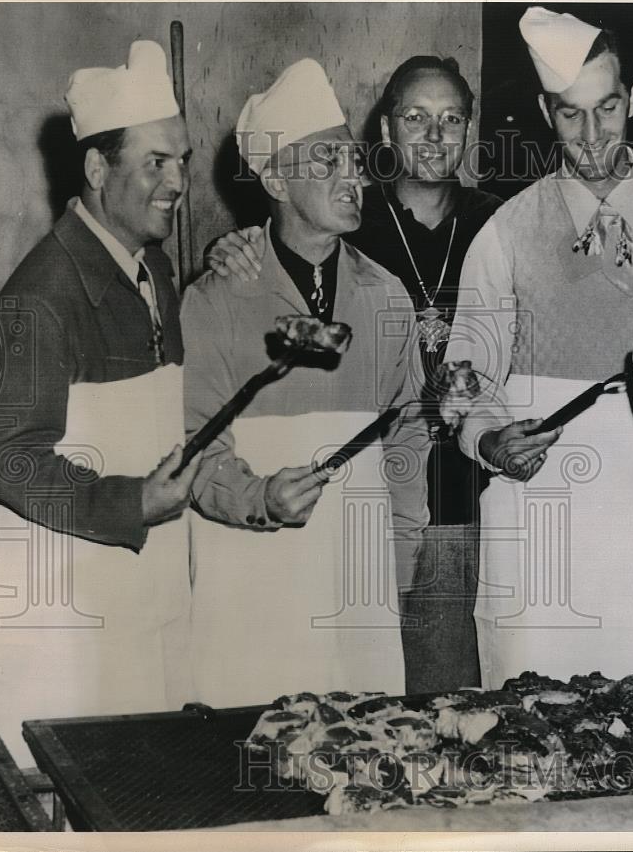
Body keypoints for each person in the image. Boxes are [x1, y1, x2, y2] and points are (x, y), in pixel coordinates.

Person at [444, 7, 633, 688]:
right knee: (529, 739)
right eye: (568, 114)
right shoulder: (504, 233)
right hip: (541, 543)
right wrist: (488, 438)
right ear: (542, 111)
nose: (590, 136)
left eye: (607, 108)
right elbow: (466, 374)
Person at [204, 56, 502, 693]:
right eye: (416, 118)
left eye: (451, 120)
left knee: (441, 706)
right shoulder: (349, 218)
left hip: (469, 502)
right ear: (387, 131)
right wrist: (229, 248)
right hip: (291, 535)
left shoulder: (498, 225)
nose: (434, 135)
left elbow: (406, 431)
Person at [181, 58, 430, 706]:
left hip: (358, 592)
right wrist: (259, 497)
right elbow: (194, 446)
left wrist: (395, 568)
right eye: (326, 162)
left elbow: (405, 443)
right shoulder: (217, 299)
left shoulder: (386, 296)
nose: (353, 177)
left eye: (352, 160)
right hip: (251, 581)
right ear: (273, 176)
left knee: (368, 758)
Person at [0, 40, 200, 766]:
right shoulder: (40, 297)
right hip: (62, 613)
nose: (179, 183)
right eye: (156, 163)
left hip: (136, 596)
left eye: (183, 162)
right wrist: (128, 501)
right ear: (98, 170)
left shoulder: (153, 269)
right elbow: (9, 459)